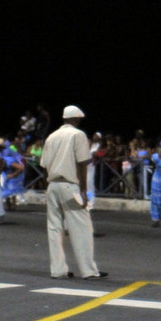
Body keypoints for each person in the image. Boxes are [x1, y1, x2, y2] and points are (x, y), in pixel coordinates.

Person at [40, 105, 106, 280]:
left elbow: (44, 166)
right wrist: (83, 189)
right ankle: (89, 270)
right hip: (70, 186)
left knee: (54, 228)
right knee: (82, 227)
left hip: (53, 185)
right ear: (76, 119)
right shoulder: (78, 135)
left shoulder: (51, 136)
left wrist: (48, 186)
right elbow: (83, 163)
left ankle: (58, 270)